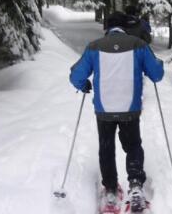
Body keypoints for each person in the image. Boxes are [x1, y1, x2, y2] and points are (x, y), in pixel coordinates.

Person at [69, 11, 164, 212]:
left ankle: (111, 190)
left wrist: (84, 84)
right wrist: (158, 65)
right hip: (130, 108)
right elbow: (156, 74)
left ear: (107, 28)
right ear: (125, 27)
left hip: (104, 109)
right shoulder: (138, 45)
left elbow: (76, 75)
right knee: (133, 146)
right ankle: (136, 185)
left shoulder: (94, 47)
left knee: (106, 147)